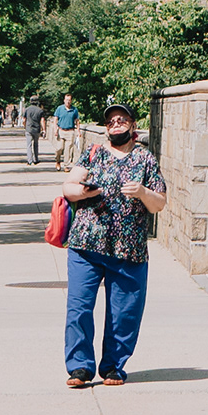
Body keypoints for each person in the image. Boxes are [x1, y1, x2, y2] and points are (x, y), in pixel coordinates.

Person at [56, 100, 163, 388]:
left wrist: (142, 192)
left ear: (133, 125)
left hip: (128, 249)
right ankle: (80, 367)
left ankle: (113, 367)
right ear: (106, 128)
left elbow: (159, 203)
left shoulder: (145, 159)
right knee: (78, 307)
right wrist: (84, 192)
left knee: (124, 313)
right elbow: (68, 187)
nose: (116, 124)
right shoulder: (93, 153)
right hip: (86, 245)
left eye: (122, 119)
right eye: (111, 121)